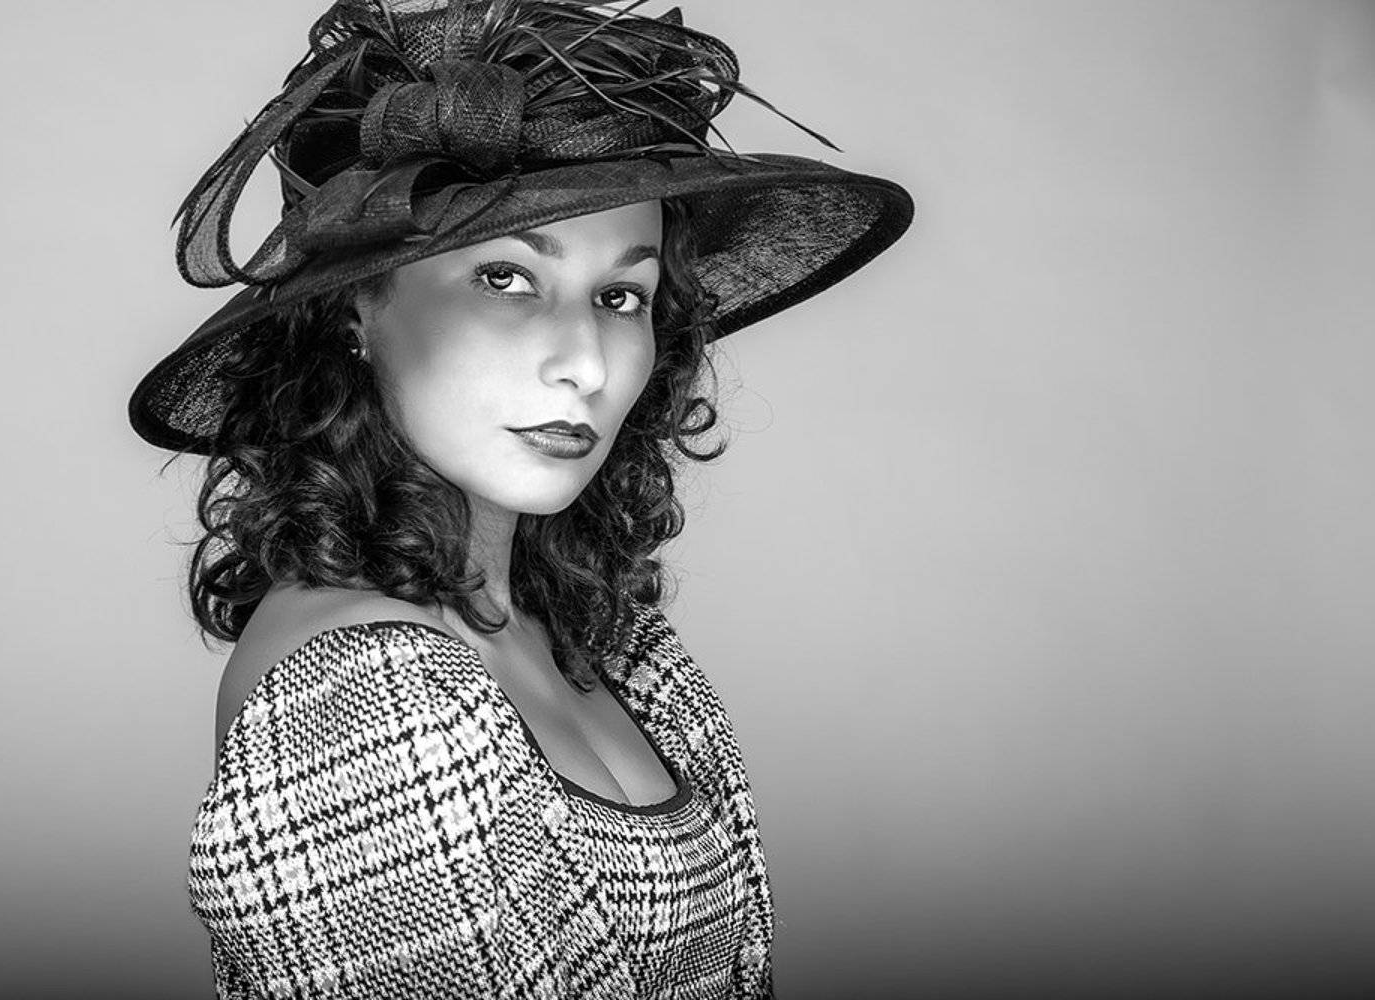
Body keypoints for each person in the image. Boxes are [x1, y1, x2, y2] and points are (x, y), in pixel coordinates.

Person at [128, 1, 913, 996]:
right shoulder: (362, 707)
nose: (586, 362)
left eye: (620, 296)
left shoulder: (595, 638)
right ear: (355, 313)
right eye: (505, 278)